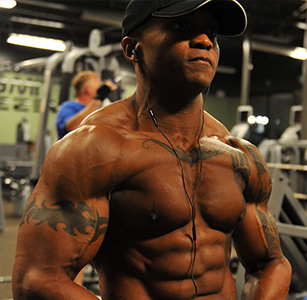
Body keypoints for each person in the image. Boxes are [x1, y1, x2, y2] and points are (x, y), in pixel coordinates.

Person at [12, 1, 291, 299]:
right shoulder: (94, 150)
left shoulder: (239, 156)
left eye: (211, 31)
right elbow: (37, 280)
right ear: (133, 49)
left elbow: (269, 263)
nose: (205, 40)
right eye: (182, 26)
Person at [56, 71, 118, 139]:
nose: (101, 88)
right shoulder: (68, 107)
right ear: (89, 89)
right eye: (99, 85)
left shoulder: (99, 110)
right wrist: (98, 99)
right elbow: (73, 128)